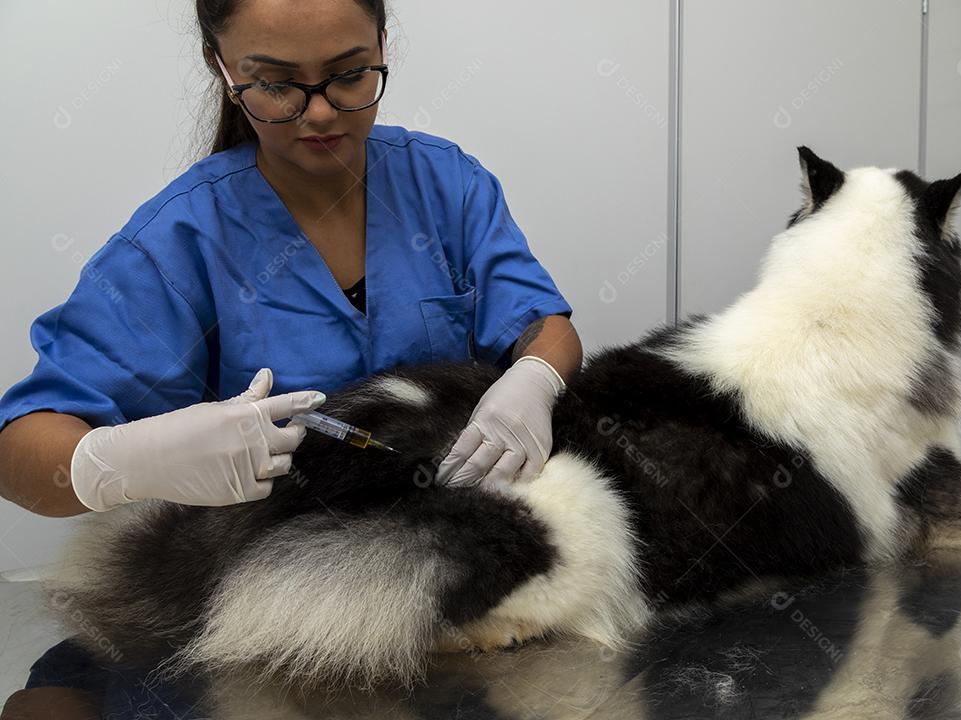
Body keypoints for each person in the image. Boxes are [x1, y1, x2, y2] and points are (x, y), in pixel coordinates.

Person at [0, 0, 581, 715]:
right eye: (275, 84)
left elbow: (542, 324)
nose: (319, 114)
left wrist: (535, 378)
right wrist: (122, 462)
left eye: (348, 75)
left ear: (383, 48)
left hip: (451, 582)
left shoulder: (446, 186)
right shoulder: (173, 244)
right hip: (247, 615)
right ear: (222, 69)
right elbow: (22, 458)